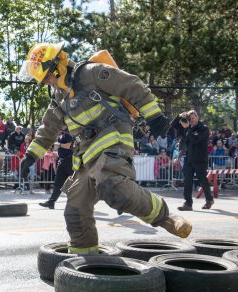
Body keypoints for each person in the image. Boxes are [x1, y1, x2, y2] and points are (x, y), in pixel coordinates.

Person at [18, 42, 191, 254]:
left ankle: (167, 218)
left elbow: (132, 85)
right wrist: (30, 157)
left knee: (114, 187)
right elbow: (48, 129)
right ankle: (85, 260)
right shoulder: (59, 98)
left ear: (57, 68)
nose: (48, 83)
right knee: (75, 211)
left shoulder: (92, 73)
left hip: (113, 139)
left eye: (47, 77)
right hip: (86, 156)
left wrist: (154, 115)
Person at [171, 110, 214, 211]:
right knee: (187, 181)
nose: (192, 119)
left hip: (200, 159)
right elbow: (172, 125)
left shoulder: (204, 128)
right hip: (189, 159)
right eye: (190, 118)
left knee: (203, 180)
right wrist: (179, 116)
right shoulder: (186, 127)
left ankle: (209, 200)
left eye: (194, 117)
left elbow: (195, 140)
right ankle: (188, 203)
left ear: (197, 116)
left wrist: (187, 129)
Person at [39, 130, 73, 209]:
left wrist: (60, 145)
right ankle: (51, 202)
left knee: (75, 183)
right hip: (62, 161)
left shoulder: (68, 135)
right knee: (57, 183)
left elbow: (69, 145)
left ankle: (83, 203)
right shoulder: (60, 136)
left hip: (69, 161)